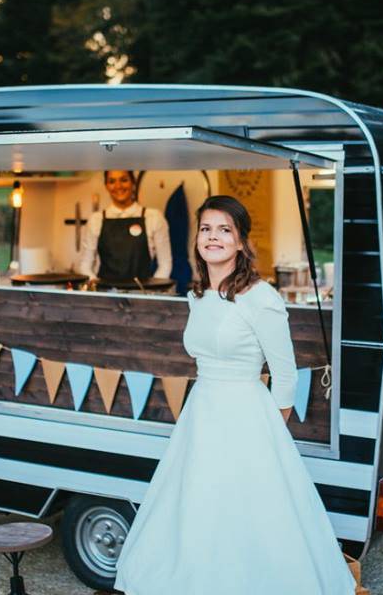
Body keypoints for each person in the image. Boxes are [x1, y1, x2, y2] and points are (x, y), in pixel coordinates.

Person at [113, 195, 356, 595]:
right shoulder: (197, 295)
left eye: (225, 229)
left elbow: (285, 373)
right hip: (202, 414)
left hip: (247, 416)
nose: (213, 237)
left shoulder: (261, 297)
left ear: (241, 241)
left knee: (249, 514)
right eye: (206, 229)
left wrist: (268, 434)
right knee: (198, 509)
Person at [76, 170, 172, 281]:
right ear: (106, 186)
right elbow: (85, 265)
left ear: (133, 182)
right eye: (112, 181)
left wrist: (151, 291)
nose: (118, 186)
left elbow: (165, 264)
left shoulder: (154, 217)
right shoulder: (96, 220)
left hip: (141, 293)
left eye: (124, 180)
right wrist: (97, 285)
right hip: (107, 293)